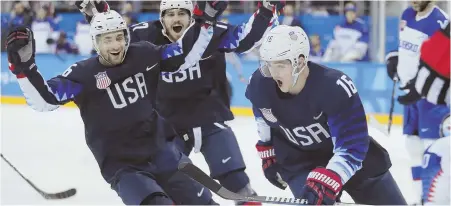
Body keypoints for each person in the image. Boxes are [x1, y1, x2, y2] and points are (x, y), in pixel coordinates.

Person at [5, 8, 227, 205]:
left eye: (119, 37)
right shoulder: (83, 75)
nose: (115, 45)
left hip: (164, 153)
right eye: (107, 39)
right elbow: (45, 100)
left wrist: (204, 22)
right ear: (95, 43)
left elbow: (185, 54)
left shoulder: (144, 54)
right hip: (124, 166)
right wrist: (24, 68)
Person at [76, 0, 284, 203]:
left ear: (191, 16)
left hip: (208, 117)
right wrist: (99, 16)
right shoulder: (144, 35)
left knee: (237, 183)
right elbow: (116, 40)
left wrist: (267, 8)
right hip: (166, 127)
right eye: (170, 14)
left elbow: (246, 39)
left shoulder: (209, 31)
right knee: (178, 192)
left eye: (182, 13)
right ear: (162, 18)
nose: (177, 19)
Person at [245, 25, 407, 205]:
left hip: (357, 164)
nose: (272, 73)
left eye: (280, 65)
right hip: (300, 163)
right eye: (268, 65)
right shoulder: (260, 83)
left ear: (299, 61)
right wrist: (267, 150)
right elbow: (263, 115)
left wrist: (330, 178)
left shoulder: (334, 87)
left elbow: (352, 145)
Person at [385, 1, 449, 203]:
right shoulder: (406, 14)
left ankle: (436, 199)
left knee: (434, 150)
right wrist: (394, 58)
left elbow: (444, 59)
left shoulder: (440, 21)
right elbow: (406, 48)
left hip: (431, 99)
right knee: (412, 147)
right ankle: (420, 198)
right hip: (410, 96)